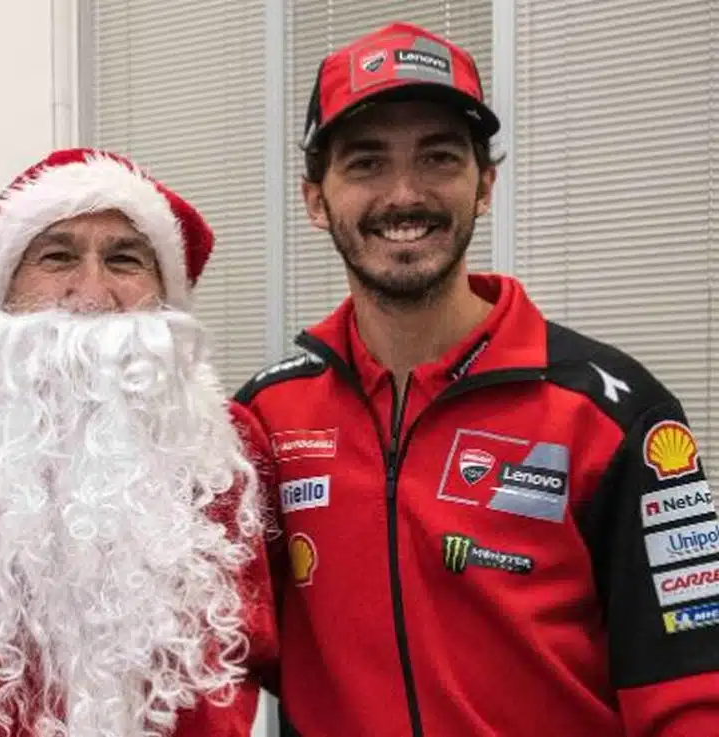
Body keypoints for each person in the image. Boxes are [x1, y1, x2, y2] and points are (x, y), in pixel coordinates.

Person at [235, 20, 719, 737]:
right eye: (366, 163)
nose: (405, 194)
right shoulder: (265, 419)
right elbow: (214, 655)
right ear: (315, 199)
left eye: (439, 157)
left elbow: (692, 693)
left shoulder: (612, 414)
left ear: (484, 184)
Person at [0, 148, 279, 736]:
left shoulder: (229, 447)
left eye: (124, 260)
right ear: (4, 289)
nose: (91, 293)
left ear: (163, 294)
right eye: (57, 256)